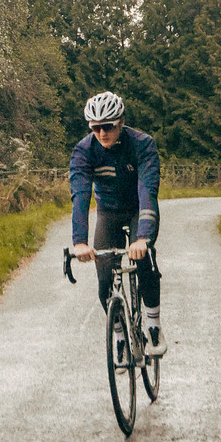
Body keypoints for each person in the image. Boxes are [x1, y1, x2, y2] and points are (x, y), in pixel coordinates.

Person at [68, 91, 165, 356]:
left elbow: (148, 191)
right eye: (95, 127)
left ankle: (154, 325)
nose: (102, 133)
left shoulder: (142, 144)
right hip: (108, 211)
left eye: (108, 126)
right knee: (104, 279)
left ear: (121, 122)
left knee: (143, 260)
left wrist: (143, 237)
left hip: (137, 208)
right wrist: (79, 242)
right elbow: (80, 196)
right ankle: (120, 335)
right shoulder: (84, 151)